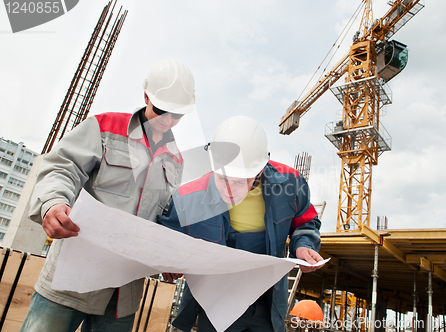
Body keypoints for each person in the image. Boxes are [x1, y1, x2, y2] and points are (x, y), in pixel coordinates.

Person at [20, 58, 196, 332]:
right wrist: (53, 203)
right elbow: (63, 167)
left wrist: (168, 259)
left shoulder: (175, 160)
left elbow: (164, 219)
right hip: (73, 278)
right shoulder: (104, 128)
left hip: (122, 295)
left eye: (177, 114)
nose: (168, 120)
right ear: (147, 96)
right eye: (162, 110)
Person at [158, 116, 324, 332]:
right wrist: (171, 262)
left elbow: (306, 222)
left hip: (266, 302)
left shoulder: (290, 184)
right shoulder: (189, 196)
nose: (228, 189)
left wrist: (303, 246)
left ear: (259, 171)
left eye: (238, 181)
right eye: (222, 179)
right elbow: (167, 238)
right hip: (214, 303)